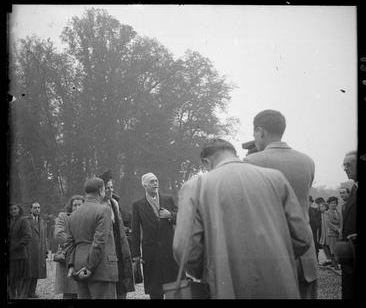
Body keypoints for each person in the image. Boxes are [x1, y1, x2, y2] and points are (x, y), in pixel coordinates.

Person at [173, 138, 313, 298]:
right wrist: (278, 257)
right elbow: (302, 237)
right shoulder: (276, 178)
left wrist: (207, 272)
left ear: (206, 162)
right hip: (280, 282)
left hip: (225, 286)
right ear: (234, 154)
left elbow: (185, 248)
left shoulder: (195, 186)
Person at [243, 109, 319, 299]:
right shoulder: (307, 161)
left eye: (254, 134)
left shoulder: (251, 161)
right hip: (307, 255)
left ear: (260, 131)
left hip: (271, 258)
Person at [64, 177, 119, 299]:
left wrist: (72, 266)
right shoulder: (104, 210)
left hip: (79, 269)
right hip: (101, 269)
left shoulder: (73, 215)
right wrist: (89, 267)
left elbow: (69, 244)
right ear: (100, 191)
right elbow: (99, 242)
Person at [131, 172, 180, 299]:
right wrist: (136, 255)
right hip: (151, 253)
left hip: (169, 250)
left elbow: (182, 217)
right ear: (145, 185)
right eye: (152, 181)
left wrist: (170, 215)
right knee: (155, 290)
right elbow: (135, 230)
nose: (155, 183)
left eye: (156, 180)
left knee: (173, 288)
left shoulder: (168, 199)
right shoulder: (137, 205)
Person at [99, 170, 135, 299]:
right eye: (107, 188)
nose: (110, 190)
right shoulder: (97, 205)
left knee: (122, 283)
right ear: (100, 190)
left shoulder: (114, 203)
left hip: (119, 250)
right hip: (105, 251)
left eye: (111, 187)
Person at [336, 151, 358, 299]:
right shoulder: (355, 188)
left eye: (348, 165)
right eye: (344, 165)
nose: (345, 168)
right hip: (351, 253)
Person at [54, 196, 83, 299]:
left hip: (83, 257)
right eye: (75, 205)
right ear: (70, 207)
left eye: (80, 204)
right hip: (68, 256)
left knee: (84, 291)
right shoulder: (63, 216)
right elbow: (59, 235)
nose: (77, 207)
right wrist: (75, 243)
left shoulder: (88, 217)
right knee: (69, 292)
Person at [23, 202, 47, 298]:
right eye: (35, 207)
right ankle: (24, 293)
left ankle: (32, 292)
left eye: (38, 207)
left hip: (39, 251)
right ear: (30, 209)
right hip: (28, 250)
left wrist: (45, 250)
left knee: (36, 271)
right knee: (28, 272)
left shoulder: (42, 221)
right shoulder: (25, 220)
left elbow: (44, 236)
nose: (37, 209)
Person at [9, 203, 32, 299]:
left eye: (15, 209)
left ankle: (20, 297)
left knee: (19, 279)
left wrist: (14, 246)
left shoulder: (23, 220)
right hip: (11, 256)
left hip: (20, 255)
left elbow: (27, 237)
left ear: (19, 210)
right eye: (11, 209)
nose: (13, 211)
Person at [323, 196, 342, 269]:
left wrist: (340, 229)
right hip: (331, 233)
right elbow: (328, 223)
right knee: (332, 249)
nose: (333, 204)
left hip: (339, 233)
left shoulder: (338, 212)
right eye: (332, 203)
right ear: (329, 204)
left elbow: (340, 221)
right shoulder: (327, 213)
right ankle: (334, 264)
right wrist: (337, 229)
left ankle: (337, 262)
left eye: (335, 203)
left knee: (338, 248)